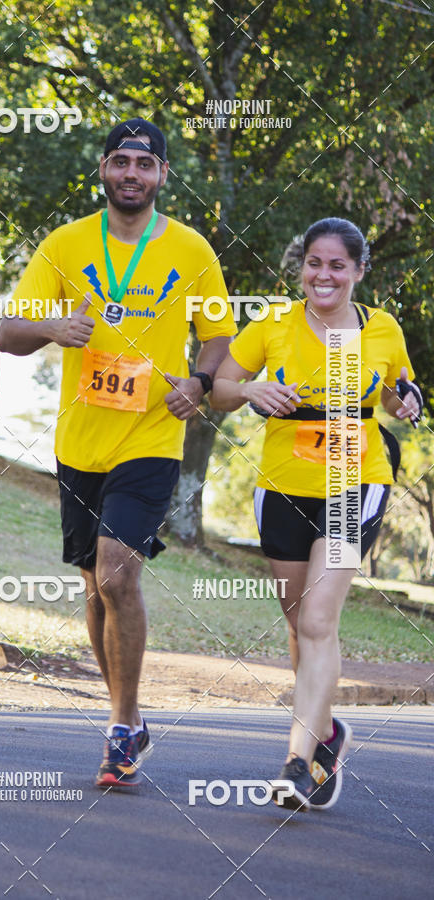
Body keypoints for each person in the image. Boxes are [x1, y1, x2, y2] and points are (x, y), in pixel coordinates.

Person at [0, 118, 236, 788]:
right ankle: (123, 714)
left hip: (153, 437)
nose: (132, 174)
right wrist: (53, 327)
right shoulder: (65, 244)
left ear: (162, 175)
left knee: (117, 575)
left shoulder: (192, 250)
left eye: (145, 164)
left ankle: (123, 725)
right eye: (121, 162)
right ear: (104, 169)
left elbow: (217, 337)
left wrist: (200, 380)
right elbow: (7, 334)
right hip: (80, 442)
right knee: (94, 587)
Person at [211, 217, 421, 811]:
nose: (322, 274)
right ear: (301, 267)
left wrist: (406, 401)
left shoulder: (382, 328)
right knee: (300, 623)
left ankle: (297, 763)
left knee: (318, 622)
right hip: (282, 487)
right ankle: (329, 731)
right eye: (313, 263)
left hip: (356, 482)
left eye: (336, 265)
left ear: (358, 272)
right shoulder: (272, 324)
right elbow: (220, 387)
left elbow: (397, 388)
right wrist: (250, 392)